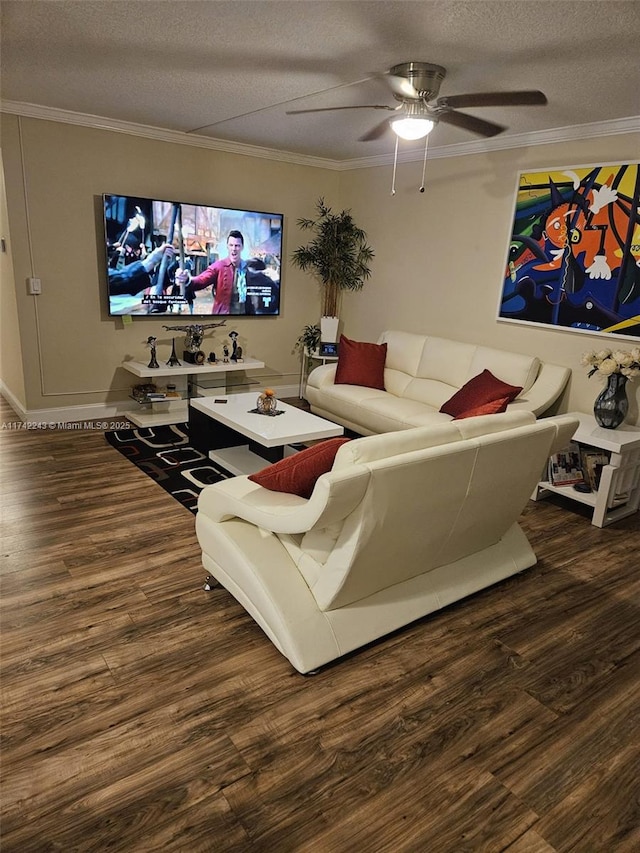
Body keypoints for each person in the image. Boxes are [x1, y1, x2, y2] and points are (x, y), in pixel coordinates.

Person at [175, 230, 245, 315]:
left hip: (245, 319)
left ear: (242, 247)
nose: (234, 249)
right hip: (222, 318)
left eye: (237, 246)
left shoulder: (247, 268)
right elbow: (201, 280)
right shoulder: (219, 266)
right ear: (227, 247)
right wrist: (187, 280)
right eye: (231, 245)